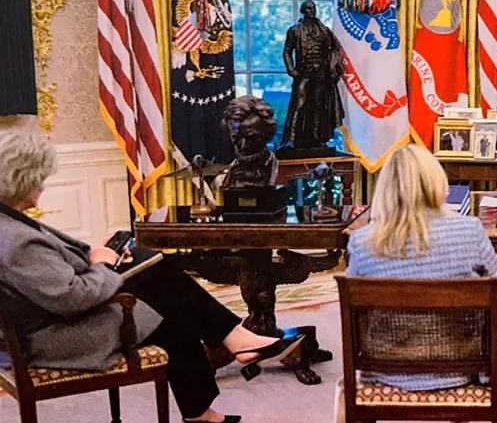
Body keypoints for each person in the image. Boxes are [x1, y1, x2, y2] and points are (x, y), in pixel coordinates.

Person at [0, 127, 302, 423]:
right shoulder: (16, 241)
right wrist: (102, 265)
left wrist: (95, 255)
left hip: (53, 320)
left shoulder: (8, 224)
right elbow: (71, 297)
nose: (42, 187)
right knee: (166, 310)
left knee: (154, 271)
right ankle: (229, 350)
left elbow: (51, 276)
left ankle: (226, 355)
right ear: (22, 181)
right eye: (40, 180)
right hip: (53, 337)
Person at [337, 144, 497, 415]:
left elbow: (355, 318)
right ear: (437, 181)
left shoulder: (362, 242)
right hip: (463, 372)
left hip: (387, 374)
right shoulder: (468, 232)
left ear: (385, 188)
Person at [282, 0, 345, 150]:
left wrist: (332, 67)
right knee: (299, 104)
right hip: (303, 73)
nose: (312, 11)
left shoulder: (324, 30)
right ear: (303, 11)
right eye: (309, 9)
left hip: (321, 74)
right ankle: (291, 139)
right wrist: (291, 70)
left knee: (319, 106)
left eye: (313, 8)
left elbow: (336, 50)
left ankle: (317, 138)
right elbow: (287, 51)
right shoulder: (295, 30)